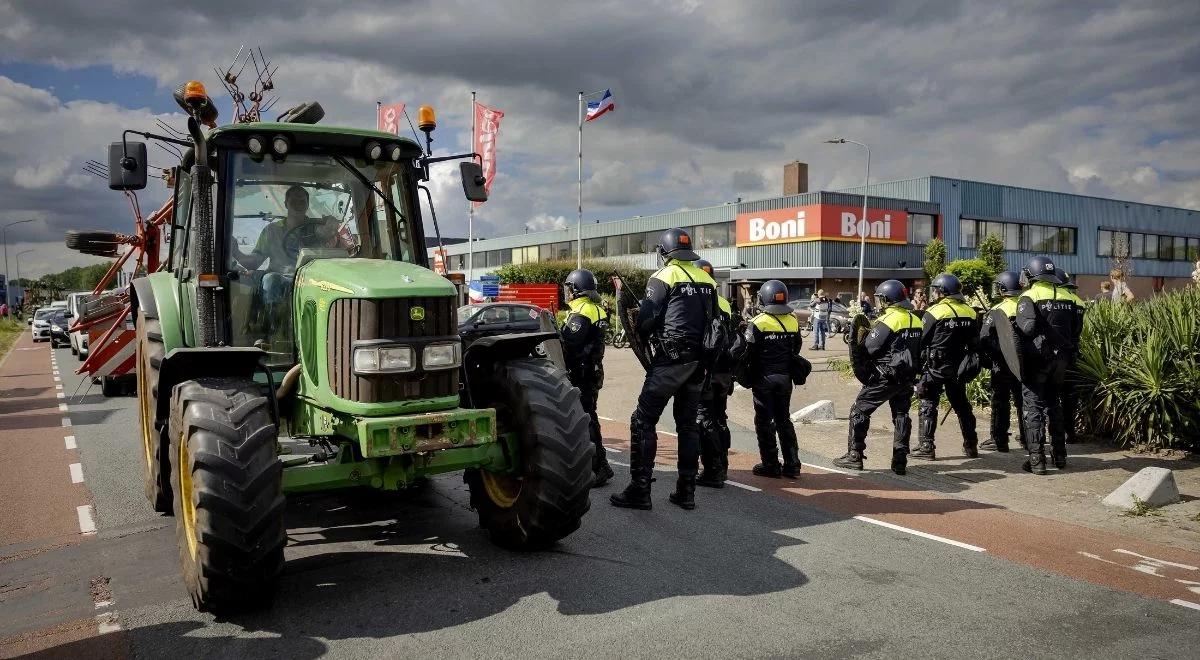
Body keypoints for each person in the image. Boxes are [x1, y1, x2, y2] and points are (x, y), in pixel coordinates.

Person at [611, 228, 719, 511]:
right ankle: (686, 491)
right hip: (698, 364)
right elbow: (717, 323)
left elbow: (646, 320)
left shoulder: (663, 277)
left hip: (670, 363)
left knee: (643, 420)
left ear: (663, 253)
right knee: (687, 426)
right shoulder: (707, 280)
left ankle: (640, 489)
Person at [833, 280, 923, 474]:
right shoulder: (915, 319)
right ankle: (900, 461)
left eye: (880, 299)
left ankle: (854, 456)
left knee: (859, 410)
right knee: (901, 415)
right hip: (906, 377)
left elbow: (868, 348)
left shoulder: (887, 321)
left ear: (886, 299)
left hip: (885, 377)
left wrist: (858, 337)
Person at [1015, 256, 1082, 474]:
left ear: (1032, 274)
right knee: (1054, 404)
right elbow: (1075, 331)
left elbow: (1027, 328)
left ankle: (1037, 461)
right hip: (1061, 360)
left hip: (1037, 360)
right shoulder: (1069, 297)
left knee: (1033, 408)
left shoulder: (1029, 295)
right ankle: (1060, 456)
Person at [740, 280, 809, 478]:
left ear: (763, 298)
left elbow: (747, 352)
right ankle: (793, 464)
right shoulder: (792, 320)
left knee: (764, 422)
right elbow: (796, 348)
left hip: (764, 379)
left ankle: (770, 464)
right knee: (784, 420)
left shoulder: (758, 322)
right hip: (785, 379)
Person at [912, 273, 981, 460]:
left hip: (936, 365)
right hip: (959, 367)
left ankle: (926, 446)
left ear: (943, 291)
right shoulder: (970, 311)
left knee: (928, 401)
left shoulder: (935, 312)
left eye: (935, 290)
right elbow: (975, 342)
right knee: (962, 405)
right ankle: (971, 445)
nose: (933, 294)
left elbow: (921, 339)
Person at [559, 268, 614, 488]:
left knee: (585, 420)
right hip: (593, 370)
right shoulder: (597, 309)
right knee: (590, 415)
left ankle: (598, 467)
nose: (567, 293)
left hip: (580, 373)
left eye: (568, 288)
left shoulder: (582, 311)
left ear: (576, 290)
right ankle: (602, 463)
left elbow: (570, 344)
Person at [694, 259, 738, 488]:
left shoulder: (698, 302)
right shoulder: (724, 303)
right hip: (725, 372)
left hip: (708, 371)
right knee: (720, 419)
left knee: (705, 419)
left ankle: (712, 471)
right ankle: (722, 465)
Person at [978, 271, 1026, 453]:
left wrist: (991, 358)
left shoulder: (998, 310)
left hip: (1002, 364)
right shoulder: (1026, 306)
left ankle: (999, 440)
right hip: (1023, 363)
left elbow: (983, 338)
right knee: (1023, 402)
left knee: (1000, 401)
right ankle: (1026, 438)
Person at [1054, 268, 1087, 446]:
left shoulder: (1056, 300)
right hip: (1072, 353)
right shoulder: (1078, 302)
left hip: (1054, 355)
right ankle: (1070, 432)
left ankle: (1055, 432)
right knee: (1069, 396)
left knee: (1052, 396)